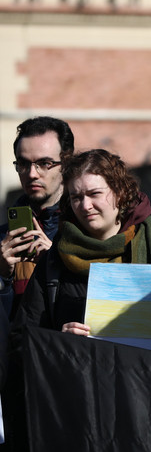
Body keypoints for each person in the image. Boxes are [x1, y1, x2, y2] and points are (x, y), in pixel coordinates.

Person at [13, 149, 151, 334]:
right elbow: (24, 337)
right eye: (76, 197)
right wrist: (60, 340)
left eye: (94, 194)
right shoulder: (56, 260)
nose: (85, 206)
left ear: (120, 192)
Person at [0, 116, 74, 317]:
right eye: (23, 164)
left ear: (65, 164)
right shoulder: (3, 238)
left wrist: (57, 263)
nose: (32, 174)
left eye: (44, 163)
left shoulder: (86, 230)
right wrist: (2, 278)